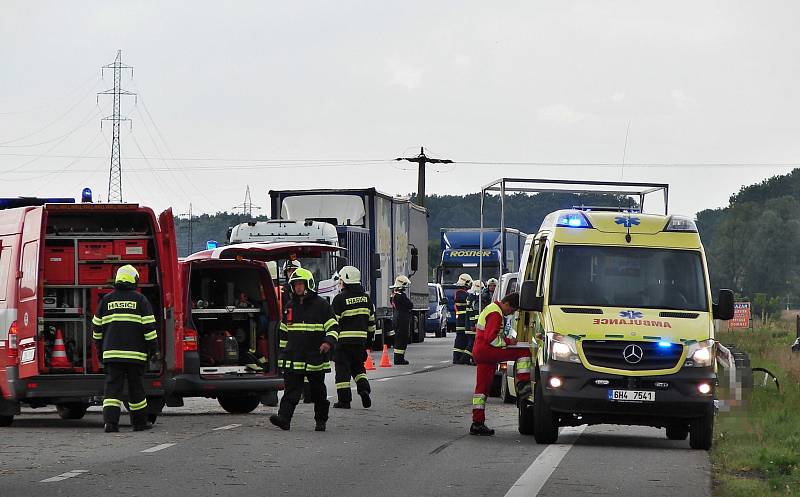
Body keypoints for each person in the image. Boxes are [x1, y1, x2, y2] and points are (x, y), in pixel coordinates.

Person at [92, 265, 160, 433]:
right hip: (135, 356)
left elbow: (96, 328)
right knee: (136, 389)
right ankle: (139, 423)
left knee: (112, 390)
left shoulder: (106, 300)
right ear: (134, 280)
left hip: (112, 355)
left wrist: (100, 351)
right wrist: (154, 350)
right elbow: (149, 329)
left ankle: (110, 424)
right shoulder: (140, 300)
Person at [271, 268, 339, 432]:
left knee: (318, 393)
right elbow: (284, 333)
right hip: (294, 357)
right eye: (295, 285)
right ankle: (284, 419)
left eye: (301, 284)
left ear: (309, 284)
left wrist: (327, 343)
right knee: (291, 392)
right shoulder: (289, 306)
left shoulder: (322, 305)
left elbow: (333, 327)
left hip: (315, 356)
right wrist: (282, 355)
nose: (298, 287)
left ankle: (321, 421)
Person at [470, 292, 532, 436]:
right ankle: (523, 384)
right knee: (523, 352)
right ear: (507, 304)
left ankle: (477, 422)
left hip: (482, 352)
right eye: (512, 310)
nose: (511, 313)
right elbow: (492, 338)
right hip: (487, 351)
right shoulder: (496, 313)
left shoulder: (492, 308)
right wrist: (509, 342)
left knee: (482, 389)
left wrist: (505, 340)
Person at [331, 266, 375, 409]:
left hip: (343, 343)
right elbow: (371, 324)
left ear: (345, 281)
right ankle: (363, 389)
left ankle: (344, 401)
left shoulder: (339, 299)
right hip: (360, 342)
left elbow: (333, 323)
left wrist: (329, 341)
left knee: (342, 372)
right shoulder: (366, 299)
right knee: (358, 368)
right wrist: (368, 343)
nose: (339, 283)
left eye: (341, 280)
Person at [390, 275, 413, 365]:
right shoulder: (401, 296)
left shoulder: (394, 295)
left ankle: (398, 358)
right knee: (402, 339)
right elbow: (410, 305)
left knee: (399, 339)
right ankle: (399, 359)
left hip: (397, 317)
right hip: (402, 319)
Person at [452, 273, 472, 364]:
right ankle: (457, 358)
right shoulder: (461, 293)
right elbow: (466, 300)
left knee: (463, 339)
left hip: (462, 319)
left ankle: (460, 358)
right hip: (461, 320)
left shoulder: (461, 293)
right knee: (461, 339)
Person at [463, 280, 484, 366]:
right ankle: (466, 359)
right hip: (472, 326)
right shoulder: (474, 298)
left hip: (470, 324)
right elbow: (473, 313)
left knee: (471, 343)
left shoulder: (470, 297)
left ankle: (468, 359)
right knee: (472, 344)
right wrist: (473, 324)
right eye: (481, 288)